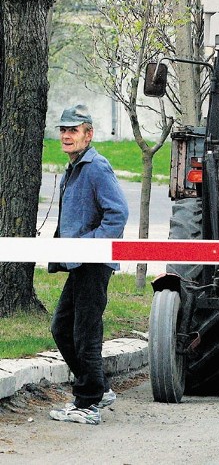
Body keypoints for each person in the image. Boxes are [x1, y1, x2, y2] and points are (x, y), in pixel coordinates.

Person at [48, 105, 129, 425]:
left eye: (74, 130)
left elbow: (118, 214)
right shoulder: (75, 166)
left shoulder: (96, 167)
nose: (67, 135)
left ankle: (87, 404)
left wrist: (88, 247)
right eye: (63, 130)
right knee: (62, 327)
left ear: (88, 134)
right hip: (80, 262)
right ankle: (98, 389)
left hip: (93, 264)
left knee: (85, 334)